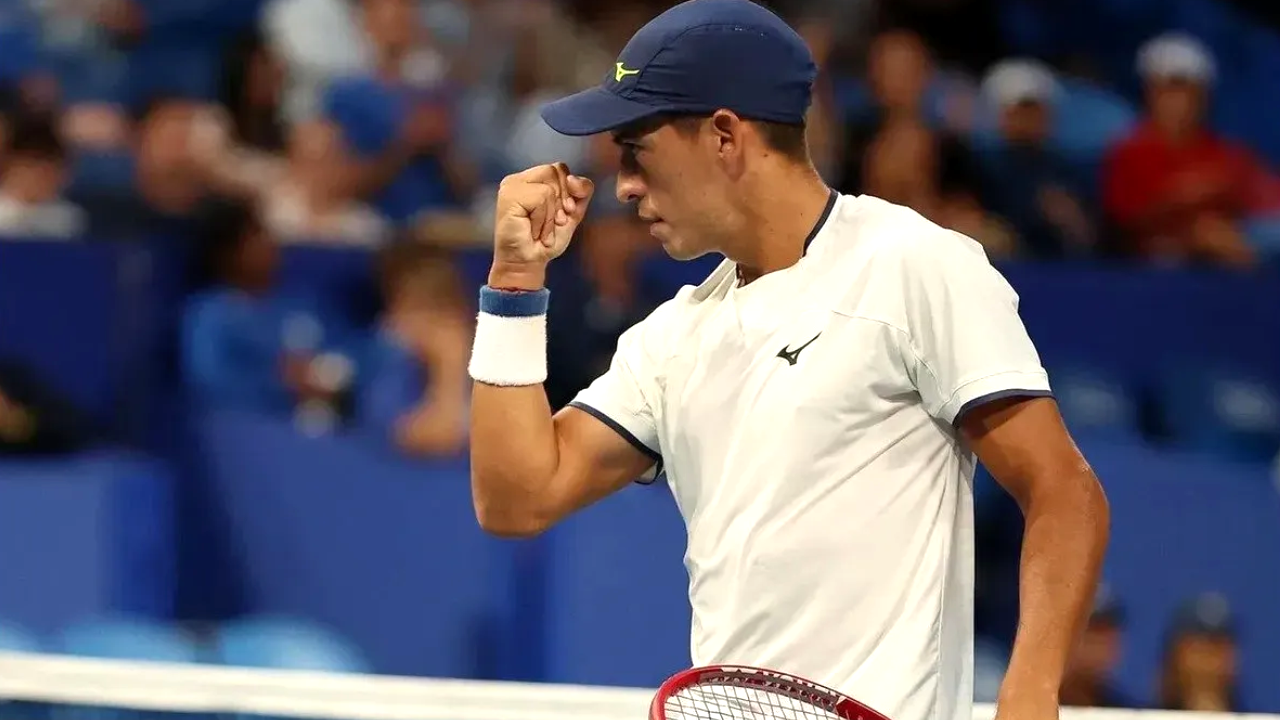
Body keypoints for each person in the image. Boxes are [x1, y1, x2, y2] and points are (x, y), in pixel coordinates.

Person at [467, 3, 1109, 720]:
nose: (622, 186)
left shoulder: (913, 265)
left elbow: (1064, 491)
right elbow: (516, 498)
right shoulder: (670, 338)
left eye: (636, 150)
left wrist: (1031, 690)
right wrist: (515, 286)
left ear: (723, 136)